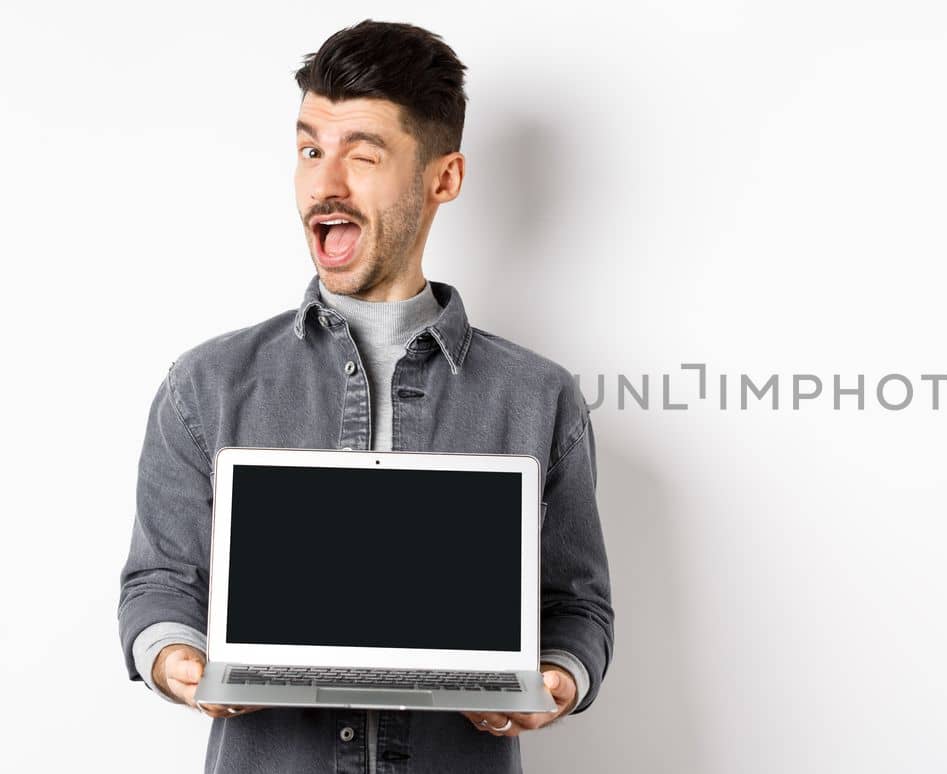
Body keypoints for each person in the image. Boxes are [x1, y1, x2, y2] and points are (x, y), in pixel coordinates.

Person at [115, 19, 614, 772]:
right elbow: (158, 584)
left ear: (443, 178)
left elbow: (578, 607)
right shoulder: (206, 385)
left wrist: (557, 678)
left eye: (363, 155)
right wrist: (175, 657)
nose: (325, 184)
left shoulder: (539, 398)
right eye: (310, 150)